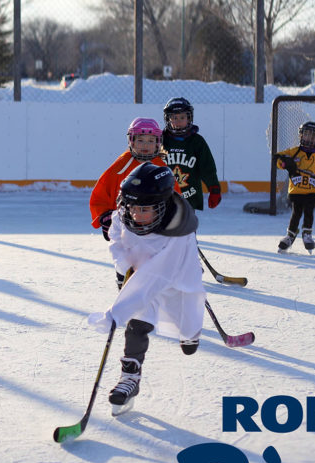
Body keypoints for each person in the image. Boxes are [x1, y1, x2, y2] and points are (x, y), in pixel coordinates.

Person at [87, 163, 205, 415]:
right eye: (132, 208)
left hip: (176, 282)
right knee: (136, 323)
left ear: (161, 207)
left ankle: (190, 331)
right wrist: (123, 266)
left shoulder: (177, 234)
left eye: (144, 210)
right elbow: (116, 239)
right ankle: (129, 379)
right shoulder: (124, 216)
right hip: (142, 278)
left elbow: (156, 276)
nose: (136, 215)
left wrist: (117, 310)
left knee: (188, 330)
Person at [273, 121, 315, 253]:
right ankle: (290, 235)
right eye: (307, 135)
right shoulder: (294, 152)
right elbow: (277, 158)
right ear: (301, 135)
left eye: (314, 136)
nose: (310, 138)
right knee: (296, 212)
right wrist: (285, 163)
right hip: (297, 190)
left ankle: (307, 234)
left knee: (309, 210)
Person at [90, 117, 165, 240]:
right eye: (140, 140)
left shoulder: (161, 168)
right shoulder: (121, 165)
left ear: (158, 143)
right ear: (132, 141)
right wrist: (104, 216)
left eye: (151, 140)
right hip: (124, 228)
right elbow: (100, 195)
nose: (145, 144)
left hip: (155, 228)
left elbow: (175, 196)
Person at [161, 97, 222, 211]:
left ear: (189, 118)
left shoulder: (197, 142)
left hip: (189, 198)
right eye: (174, 117)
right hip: (163, 198)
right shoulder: (160, 141)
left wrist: (214, 188)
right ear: (168, 119)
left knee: (186, 226)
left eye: (182, 117)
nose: (178, 121)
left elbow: (207, 167)